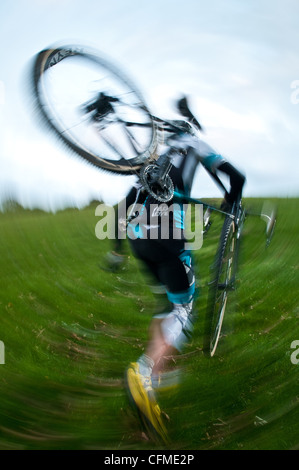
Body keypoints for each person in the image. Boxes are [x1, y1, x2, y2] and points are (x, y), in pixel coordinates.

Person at [107, 97, 246, 442]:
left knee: (165, 306)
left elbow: (122, 208)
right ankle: (145, 371)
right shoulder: (195, 143)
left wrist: (116, 252)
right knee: (183, 310)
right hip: (168, 237)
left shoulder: (154, 161)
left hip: (139, 238)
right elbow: (237, 178)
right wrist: (230, 201)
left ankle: (155, 378)